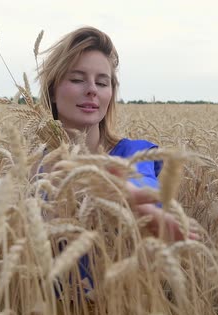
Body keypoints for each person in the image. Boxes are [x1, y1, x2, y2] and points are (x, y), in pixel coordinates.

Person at [38, 26, 199, 243]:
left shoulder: (134, 153)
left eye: (102, 82)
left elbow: (142, 182)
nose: (92, 89)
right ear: (53, 91)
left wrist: (131, 197)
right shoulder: (28, 166)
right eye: (77, 79)